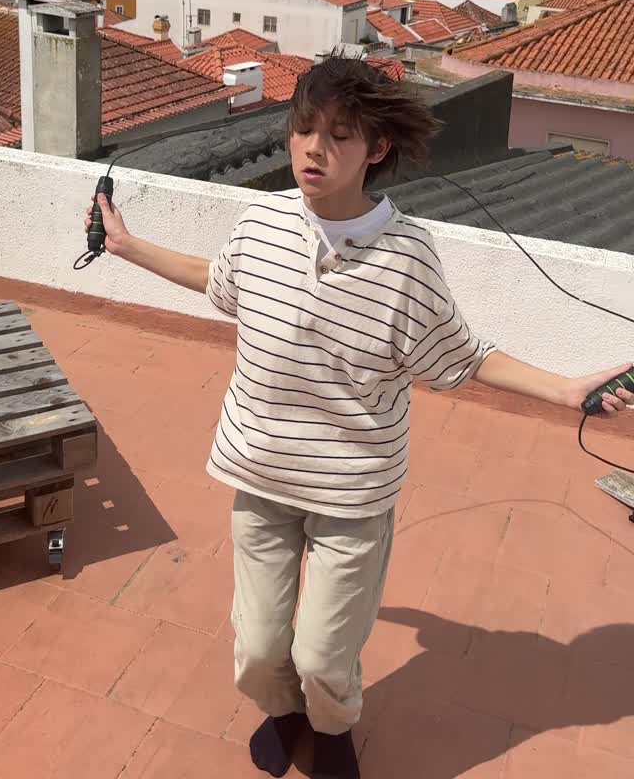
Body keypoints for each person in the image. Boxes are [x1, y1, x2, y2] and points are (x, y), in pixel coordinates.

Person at [85, 54, 633, 779]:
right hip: (261, 473)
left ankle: (333, 725)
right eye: (304, 130)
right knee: (256, 649)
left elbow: (462, 358)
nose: (315, 149)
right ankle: (283, 713)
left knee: (322, 653)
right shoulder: (260, 224)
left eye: (339, 136)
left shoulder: (408, 259)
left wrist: (565, 390)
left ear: (375, 149)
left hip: (352, 492)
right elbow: (217, 279)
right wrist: (127, 248)